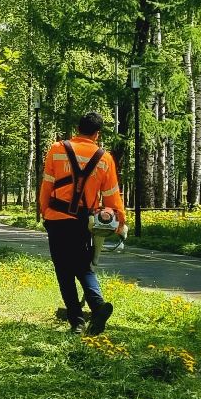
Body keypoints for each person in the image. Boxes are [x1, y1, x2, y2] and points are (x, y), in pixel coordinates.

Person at [40, 112, 127, 334]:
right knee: (82, 266)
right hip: (83, 222)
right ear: (97, 134)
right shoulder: (104, 158)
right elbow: (111, 197)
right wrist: (120, 223)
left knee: (63, 270)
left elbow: (47, 186)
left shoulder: (57, 149)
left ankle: (77, 322)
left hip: (57, 219)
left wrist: (44, 212)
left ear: (77, 128)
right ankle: (97, 306)